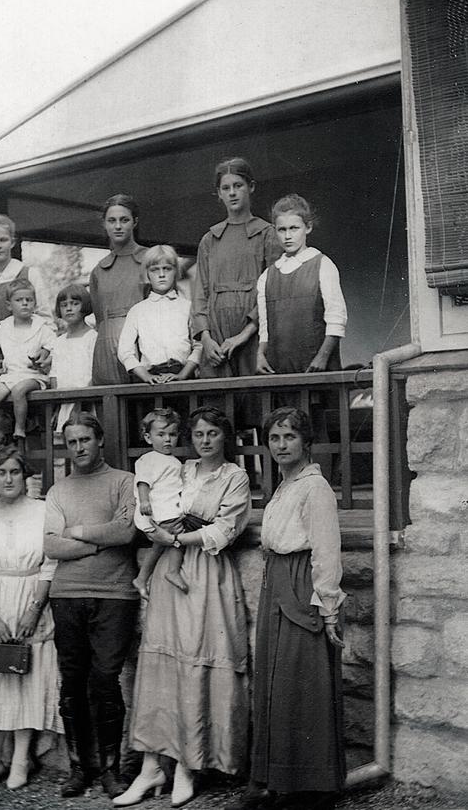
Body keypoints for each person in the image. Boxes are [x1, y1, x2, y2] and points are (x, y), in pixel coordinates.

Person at [116, 407, 252, 809]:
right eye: (198, 433)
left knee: (193, 663)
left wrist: (175, 543)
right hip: (168, 577)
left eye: (212, 433)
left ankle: (187, 768)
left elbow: (224, 530)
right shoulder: (180, 467)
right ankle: (150, 766)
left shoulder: (235, 476)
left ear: (224, 436)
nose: (205, 440)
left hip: (205, 575)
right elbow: (154, 501)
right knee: (162, 666)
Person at [237, 407, 346, 810]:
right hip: (277, 583)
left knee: (303, 684)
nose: (281, 445)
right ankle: (277, 781)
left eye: (290, 437)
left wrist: (328, 606)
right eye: (275, 438)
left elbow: (326, 550)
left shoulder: (314, 488)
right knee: (275, 684)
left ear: (306, 441)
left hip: (303, 585)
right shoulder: (284, 485)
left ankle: (312, 789)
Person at [44, 412, 138, 799]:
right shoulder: (58, 491)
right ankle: (79, 768)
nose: (79, 448)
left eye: (85, 440)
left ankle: (111, 769)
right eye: (71, 442)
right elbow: (51, 545)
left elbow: (127, 530)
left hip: (115, 594)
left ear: (99, 441)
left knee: (104, 680)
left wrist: (80, 535)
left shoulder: (123, 481)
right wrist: (103, 541)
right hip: (66, 595)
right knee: (73, 683)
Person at [0, 444, 63, 792]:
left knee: (27, 684)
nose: (8, 478)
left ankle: (20, 761)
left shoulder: (43, 512)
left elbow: (50, 564)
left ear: (25, 475)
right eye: (1, 472)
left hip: (30, 603)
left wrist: (35, 610)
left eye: (15, 472)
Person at [191, 158, 281, 380]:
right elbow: (200, 295)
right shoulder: (209, 240)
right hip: (216, 338)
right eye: (226, 188)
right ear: (219, 193)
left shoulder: (267, 234)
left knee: (255, 402)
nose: (232, 193)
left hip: (253, 334)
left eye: (238, 186)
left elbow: (272, 292)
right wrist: (205, 340)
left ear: (251, 187)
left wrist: (244, 335)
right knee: (215, 408)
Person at [256, 194, 347, 377]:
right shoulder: (267, 276)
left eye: (294, 228)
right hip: (279, 370)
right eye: (281, 230)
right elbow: (265, 328)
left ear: (308, 227)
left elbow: (336, 320)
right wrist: (260, 355)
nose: (287, 236)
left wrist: (322, 359)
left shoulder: (322, 265)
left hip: (317, 368)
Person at [0, 212, 52, 394]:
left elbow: (47, 319)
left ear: (12, 242)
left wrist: (45, 351)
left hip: (28, 363)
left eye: (3, 240)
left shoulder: (29, 274)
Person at [0, 278, 56, 450]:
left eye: (29, 300)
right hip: (11, 375)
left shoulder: (41, 327)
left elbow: (55, 346)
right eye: (19, 300)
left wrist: (45, 355)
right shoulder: (5, 327)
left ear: (34, 303)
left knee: (19, 390)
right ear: (8, 305)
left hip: (34, 376)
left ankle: (19, 428)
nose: (24, 304)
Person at [117, 244, 202, 384]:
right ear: (147, 274)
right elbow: (125, 351)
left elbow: (199, 345)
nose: (161, 275)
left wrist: (183, 375)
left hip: (183, 376)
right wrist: (145, 376)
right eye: (155, 270)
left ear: (176, 271)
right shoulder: (138, 311)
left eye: (167, 269)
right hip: (150, 379)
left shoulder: (187, 307)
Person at [90, 194, 148, 385]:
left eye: (124, 220)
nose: (118, 226)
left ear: (135, 222)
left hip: (142, 345)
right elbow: (99, 318)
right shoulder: (99, 270)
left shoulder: (150, 260)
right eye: (111, 221)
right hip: (106, 348)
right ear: (104, 224)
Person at [131, 408, 185, 599]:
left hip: (170, 509)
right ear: (148, 437)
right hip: (157, 511)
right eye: (161, 434)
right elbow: (143, 481)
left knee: (164, 543)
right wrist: (144, 500)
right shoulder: (149, 459)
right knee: (177, 537)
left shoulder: (175, 462)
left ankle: (142, 577)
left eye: (172, 434)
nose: (167, 439)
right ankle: (172, 571)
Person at [48, 282, 97, 432]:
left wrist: (81, 402)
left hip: (87, 402)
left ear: (85, 306)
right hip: (64, 403)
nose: (69, 308)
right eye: (64, 305)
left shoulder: (92, 337)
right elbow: (54, 374)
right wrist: (57, 406)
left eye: (75, 304)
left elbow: (93, 373)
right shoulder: (58, 341)